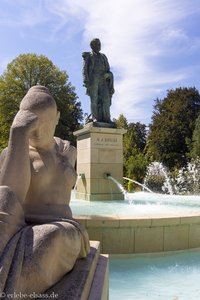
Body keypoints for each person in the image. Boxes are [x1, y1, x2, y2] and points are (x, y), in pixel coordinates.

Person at [0, 85, 90, 295]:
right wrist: (19, 134)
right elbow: (8, 195)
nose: (37, 132)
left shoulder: (68, 151)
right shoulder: (13, 152)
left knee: (49, 238)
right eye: (31, 123)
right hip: (17, 226)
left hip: (62, 227)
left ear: (57, 118)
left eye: (44, 123)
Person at [82, 38, 114, 123]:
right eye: (97, 44)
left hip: (103, 79)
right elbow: (84, 69)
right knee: (94, 99)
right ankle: (94, 117)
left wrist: (108, 74)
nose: (99, 46)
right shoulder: (89, 56)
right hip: (93, 79)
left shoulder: (103, 56)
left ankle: (107, 118)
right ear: (93, 46)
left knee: (106, 98)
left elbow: (108, 69)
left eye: (100, 44)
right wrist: (86, 80)